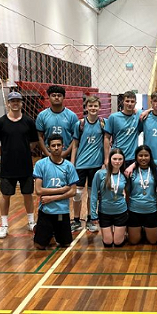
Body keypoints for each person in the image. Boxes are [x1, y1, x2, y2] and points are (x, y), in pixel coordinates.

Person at [0, 91, 39, 239]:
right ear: (8, 103)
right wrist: (6, 155)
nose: (15, 103)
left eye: (18, 101)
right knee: (6, 195)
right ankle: (4, 225)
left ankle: (31, 222)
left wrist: (23, 152)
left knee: (28, 194)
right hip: (8, 167)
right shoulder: (0, 123)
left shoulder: (29, 122)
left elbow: (34, 142)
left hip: (25, 166)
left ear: (22, 103)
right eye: (13, 101)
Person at [32, 134, 78, 250]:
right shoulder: (40, 164)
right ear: (48, 147)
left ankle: (51, 232)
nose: (56, 148)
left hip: (62, 210)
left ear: (63, 146)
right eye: (53, 146)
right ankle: (42, 230)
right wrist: (61, 190)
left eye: (58, 145)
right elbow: (38, 190)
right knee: (39, 246)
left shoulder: (69, 166)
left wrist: (51, 198)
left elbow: (73, 191)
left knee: (65, 244)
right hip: (46, 210)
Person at [70, 95, 105, 233]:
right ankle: (76, 220)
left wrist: (105, 162)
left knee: (92, 194)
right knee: (77, 194)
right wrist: (72, 163)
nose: (93, 108)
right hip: (81, 165)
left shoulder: (103, 123)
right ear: (86, 107)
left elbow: (106, 143)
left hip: (96, 165)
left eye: (95, 106)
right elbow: (75, 145)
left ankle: (90, 219)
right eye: (90, 106)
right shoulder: (80, 124)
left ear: (99, 107)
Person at [90, 148, 128, 247]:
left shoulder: (124, 175)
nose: (117, 162)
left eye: (120, 159)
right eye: (114, 159)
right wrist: (93, 214)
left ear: (123, 160)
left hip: (120, 211)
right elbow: (93, 194)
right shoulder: (100, 174)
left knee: (118, 242)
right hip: (104, 212)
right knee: (108, 242)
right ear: (109, 159)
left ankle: (123, 234)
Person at [126, 145, 157, 245]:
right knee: (133, 241)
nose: (143, 158)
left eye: (146, 155)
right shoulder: (131, 171)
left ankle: (145, 229)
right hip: (134, 210)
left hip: (151, 210)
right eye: (140, 155)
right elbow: (127, 192)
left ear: (150, 156)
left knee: (153, 241)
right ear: (136, 157)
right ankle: (140, 229)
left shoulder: (156, 171)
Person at [36, 85, 78, 158]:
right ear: (49, 97)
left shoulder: (72, 116)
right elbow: (39, 136)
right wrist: (47, 153)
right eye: (53, 95)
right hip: (48, 155)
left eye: (59, 95)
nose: (56, 97)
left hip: (66, 155)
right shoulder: (42, 115)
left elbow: (76, 138)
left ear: (64, 97)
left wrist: (66, 153)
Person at [104, 90, 140, 167]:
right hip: (117, 156)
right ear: (123, 102)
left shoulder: (138, 116)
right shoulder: (114, 117)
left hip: (133, 157)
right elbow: (106, 137)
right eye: (127, 101)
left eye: (132, 101)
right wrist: (106, 158)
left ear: (135, 103)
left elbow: (151, 111)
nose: (129, 104)